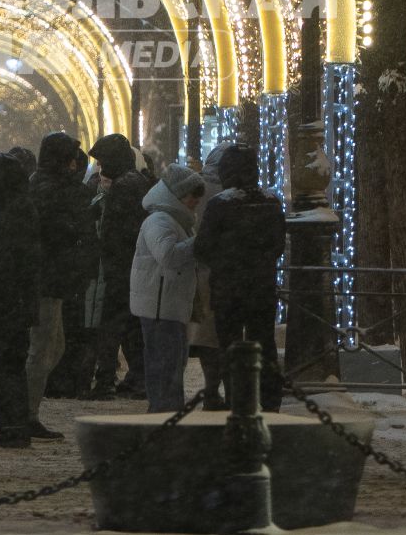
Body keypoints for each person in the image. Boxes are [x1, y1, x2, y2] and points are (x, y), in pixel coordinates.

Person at [194, 143, 286, 408]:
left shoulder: (220, 204)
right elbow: (278, 245)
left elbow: (203, 247)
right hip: (262, 288)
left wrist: (226, 263)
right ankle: (269, 401)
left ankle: (237, 400)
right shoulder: (271, 202)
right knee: (264, 344)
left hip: (228, 290)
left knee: (230, 346)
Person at [27, 131, 95, 438]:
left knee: (53, 346)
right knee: (43, 348)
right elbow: (64, 231)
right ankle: (26, 413)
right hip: (49, 279)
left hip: (48, 277)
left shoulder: (37, 186)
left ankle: (27, 408)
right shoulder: (56, 190)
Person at [0, 152, 40, 446]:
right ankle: (16, 423)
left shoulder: (4, 221)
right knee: (12, 363)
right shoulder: (24, 212)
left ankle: (11, 426)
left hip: (4, 304)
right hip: (20, 303)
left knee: (1, 366)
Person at [129, 164, 205, 413]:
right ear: (177, 195)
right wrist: (200, 242)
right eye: (192, 195)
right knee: (165, 364)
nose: (195, 201)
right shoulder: (160, 220)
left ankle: (167, 412)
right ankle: (164, 414)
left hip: (168, 304)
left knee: (172, 363)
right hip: (160, 306)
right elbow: (169, 256)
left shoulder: (176, 220)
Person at [88, 133, 152, 399]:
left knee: (112, 326)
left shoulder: (124, 187)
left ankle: (106, 380)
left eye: (103, 162)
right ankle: (138, 378)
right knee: (132, 327)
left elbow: (115, 232)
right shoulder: (137, 182)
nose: (102, 168)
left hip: (121, 267)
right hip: (131, 266)